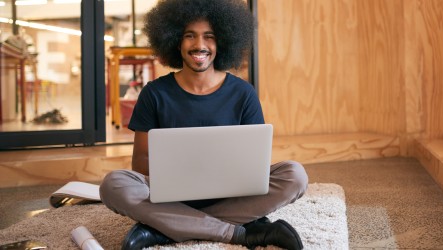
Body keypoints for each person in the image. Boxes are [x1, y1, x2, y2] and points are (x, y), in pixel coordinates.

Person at [98, 0, 309, 249]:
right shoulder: (154, 94)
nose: (200, 45)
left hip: (231, 197)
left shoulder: (243, 93)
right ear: (176, 40)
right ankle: (240, 233)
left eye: (209, 36)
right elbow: (141, 165)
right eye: (190, 36)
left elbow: (256, 166)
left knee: (295, 175)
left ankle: (165, 228)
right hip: (170, 198)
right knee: (114, 184)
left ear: (222, 41)